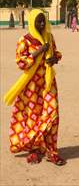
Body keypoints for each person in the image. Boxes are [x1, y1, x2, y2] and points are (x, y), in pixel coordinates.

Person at [3, 9, 66, 165]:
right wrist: (39, 51)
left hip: (48, 83)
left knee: (52, 114)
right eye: (38, 21)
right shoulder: (24, 40)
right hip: (31, 86)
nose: (42, 24)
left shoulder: (49, 38)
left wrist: (53, 59)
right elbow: (21, 62)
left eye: (43, 21)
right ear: (32, 22)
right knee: (33, 116)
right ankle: (35, 149)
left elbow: (56, 54)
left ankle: (52, 150)